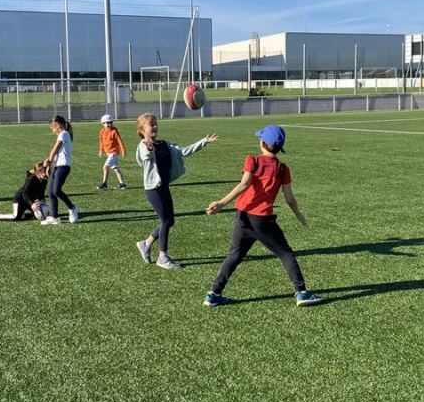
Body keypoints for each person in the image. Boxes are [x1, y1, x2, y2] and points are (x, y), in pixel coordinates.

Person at [204, 124, 322, 307]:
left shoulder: (252, 160)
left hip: (243, 217)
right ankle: (302, 292)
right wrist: (298, 214)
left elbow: (244, 184)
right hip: (263, 221)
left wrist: (221, 203)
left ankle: (213, 294)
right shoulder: (282, 169)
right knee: (285, 253)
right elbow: (290, 199)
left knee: (234, 256)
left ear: (263, 143)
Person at [134, 112, 218, 270]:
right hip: (153, 190)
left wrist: (204, 141)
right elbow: (144, 157)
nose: (155, 126)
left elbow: (184, 151)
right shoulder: (143, 146)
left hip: (164, 187)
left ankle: (146, 244)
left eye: (156, 123)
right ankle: (163, 257)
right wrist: (149, 148)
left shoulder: (165, 144)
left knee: (170, 221)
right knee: (166, 221)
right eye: (151, 124)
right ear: (142, 129)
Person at [42, 115, 78, 225]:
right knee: (51, 192)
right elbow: (57, 153)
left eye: (52, 128)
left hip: (64, 166)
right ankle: (55, 217)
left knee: (56, 191)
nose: (52, 131)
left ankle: (72, 208)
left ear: (57, 125)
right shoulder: (62, 134)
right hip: (58, 166)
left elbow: (54, 150)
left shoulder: (64, 134)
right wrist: (49, 163)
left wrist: (48, 161)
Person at [98, 113, 127, 189]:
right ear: (103, 124)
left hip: (113, 153)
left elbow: (119, 141)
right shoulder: (102, 131)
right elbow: (101, 141)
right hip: (108, 153)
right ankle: (122, 184)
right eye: (107, 123)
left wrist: (123, 151)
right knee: (115, 169)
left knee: (105, 167)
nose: (109, 124)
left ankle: (104, 183)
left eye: (110, 123)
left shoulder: (114, 131)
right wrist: (101, 150)